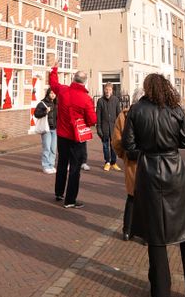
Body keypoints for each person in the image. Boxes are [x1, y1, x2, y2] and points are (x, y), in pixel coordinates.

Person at [123, 73, 185, 297]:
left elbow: (128, 146)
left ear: (147, 88)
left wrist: (146, 151)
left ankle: (160, 294)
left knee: (155, 234)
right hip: (174, 172)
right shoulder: (175, 109)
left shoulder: (136, 110)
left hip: (149, 173)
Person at [49, 60, 97, 209]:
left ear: (73, 79)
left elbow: (53, 83)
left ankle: (59, 193)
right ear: (84, 82)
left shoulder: (63, 91)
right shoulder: (86, 99)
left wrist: (54, 69)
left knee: (62, 164)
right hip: (77, 138)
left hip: (62, 135)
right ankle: (70, 200)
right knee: (75, 168)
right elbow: (92, 120)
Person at [111, 87, 142, 240]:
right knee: (148, 198)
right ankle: (145, 234)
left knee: (131, 196)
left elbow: (116, 141)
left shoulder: (123, 116)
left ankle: (127, 231)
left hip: (131, 160)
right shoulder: (150, 114)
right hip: (148, 160)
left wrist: (123, 155)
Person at [95, 84, 123, 172]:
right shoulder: (100, 101)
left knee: (113, 146)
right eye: (106, 89)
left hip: (114, 128)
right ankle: (107, 162)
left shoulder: (116, 100)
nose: (108, 91)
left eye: (109, 90)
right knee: (105, 147)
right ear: (104, 90)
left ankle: (113, 163)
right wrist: (99, 129)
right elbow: (98, 116)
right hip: (104, 128)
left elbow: (119, 115)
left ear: (112, 91)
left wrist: (120, 127)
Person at [34, 87, 58, 174]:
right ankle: (46, 166)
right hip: (46, 129)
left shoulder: (56, 104)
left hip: (55, 129)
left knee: (53, 149)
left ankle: (51, 165)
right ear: (48, 94)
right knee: (47, 148)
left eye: (54, 93)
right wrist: (45, 112)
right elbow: (36, 114)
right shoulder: (42, 103)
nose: (53, 95)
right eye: (51, 93)